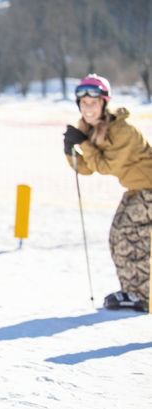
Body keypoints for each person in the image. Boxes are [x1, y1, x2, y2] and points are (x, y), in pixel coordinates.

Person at [63, 73, 152, 313]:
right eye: (83, 103)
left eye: (93, 102)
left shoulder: (123, 131)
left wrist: (85, 144)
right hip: (138, 189)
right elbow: (87, 168)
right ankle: (134, 290)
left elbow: (105, 165)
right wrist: (70, 150)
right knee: (118, 237)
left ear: (104, 103)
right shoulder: (90, 130)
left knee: (129, 237)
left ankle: (141, 294)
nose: (88, 108)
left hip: (149, 190)